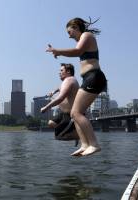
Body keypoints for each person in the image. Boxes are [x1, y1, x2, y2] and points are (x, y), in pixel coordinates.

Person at [46, 17, 107, 156]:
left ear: (76, 27)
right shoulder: (83, 39)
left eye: (69, 31)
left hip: (94, 76)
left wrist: (58, 51)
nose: (69, 36)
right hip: (89, 78)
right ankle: (85, 144)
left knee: (77, 113)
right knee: (74, 114)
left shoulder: (87, 35)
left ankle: (94, 144)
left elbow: (78, 51)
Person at [40, 63, 79, 142]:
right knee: (51, 123)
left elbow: (60, 98)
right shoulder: (65, 82)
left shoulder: (69, 80)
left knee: (59, 136)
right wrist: (53, 92)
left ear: (68, 71)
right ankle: (71, 131)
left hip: (71, 115)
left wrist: (46, 107)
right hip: (63, 114)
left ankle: (77, 134)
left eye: (61, 70)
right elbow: (59, 88)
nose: (59, 72)